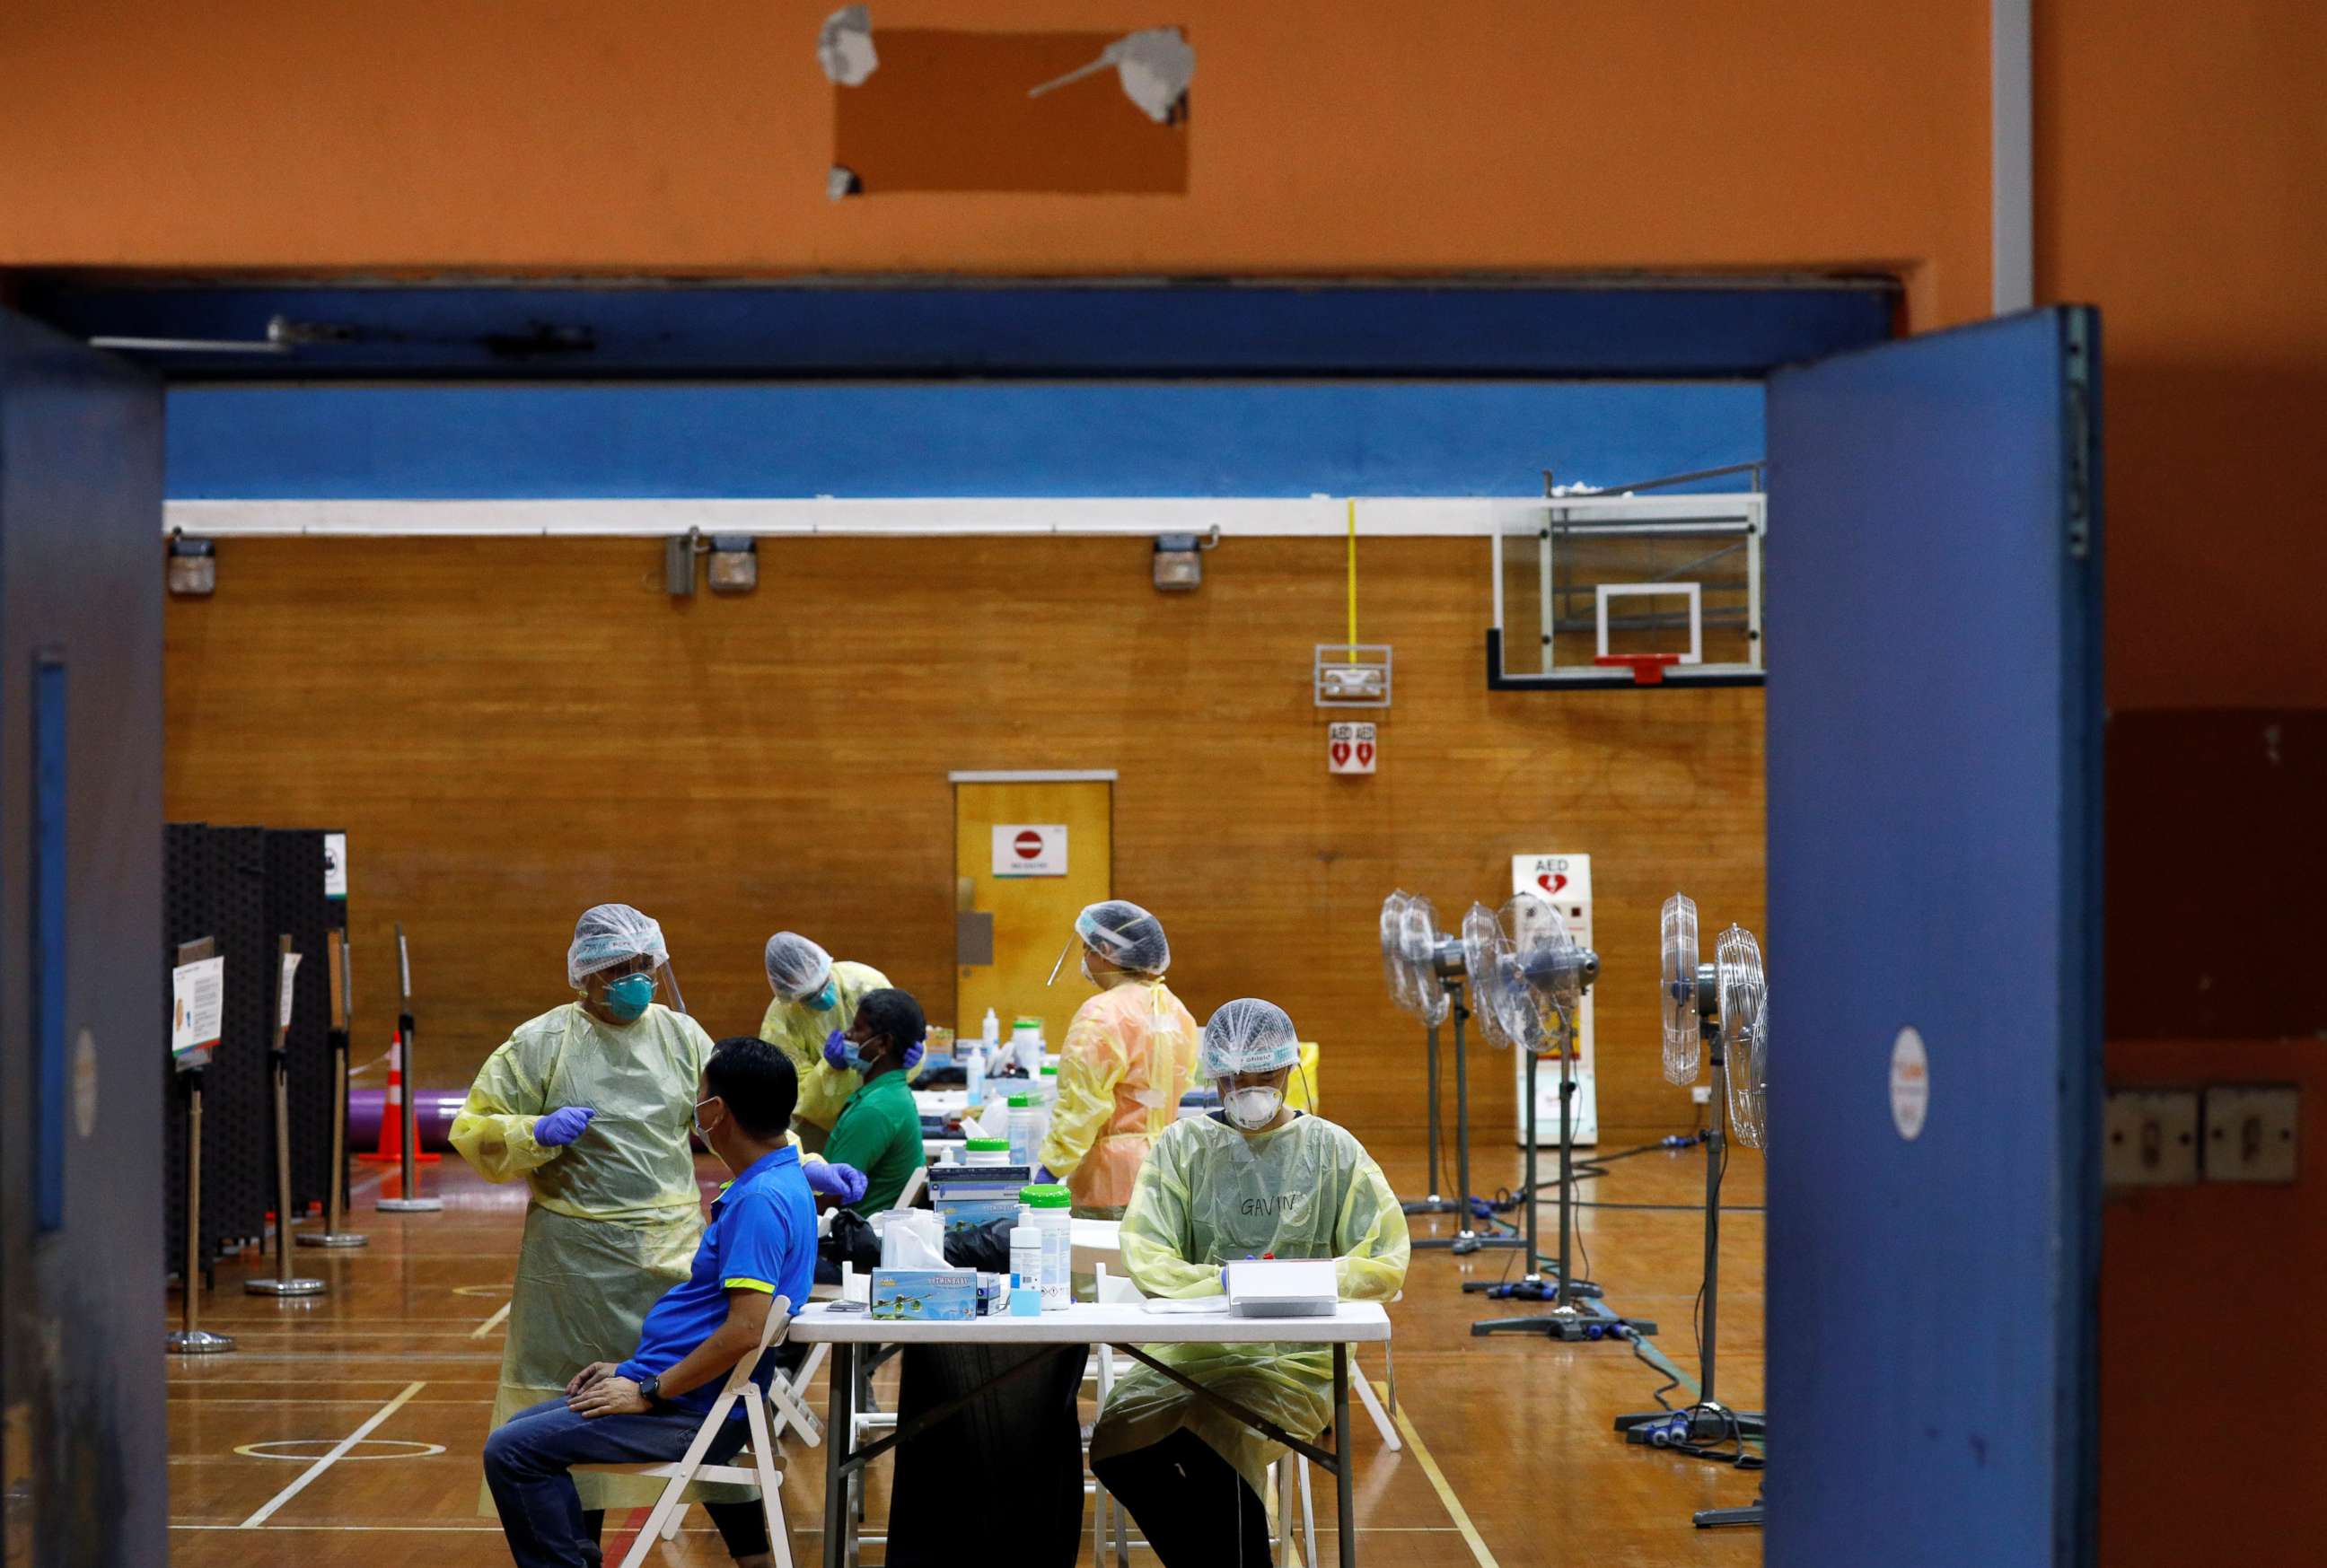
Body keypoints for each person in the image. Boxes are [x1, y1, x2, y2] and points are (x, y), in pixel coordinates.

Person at [452, 905, 863, 1537]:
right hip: (574, 1266)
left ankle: (752, 1547)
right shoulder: (541, 1043)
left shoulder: (680, 1036)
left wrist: (802, 1165)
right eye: (619, 968)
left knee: (701, 1396)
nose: (635, 979)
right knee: (572, 1409)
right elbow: (472, 1127)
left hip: (671, 1252)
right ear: (585, 972)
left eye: (645, 965)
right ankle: (576, 1549)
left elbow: (740, 1118)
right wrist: (531, 1130)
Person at [1090, 999, 1409, 1566]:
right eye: (1234, 1078)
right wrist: (1232, 1283)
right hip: (1188, 1352)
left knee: (1218, 1430)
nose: (1248, 1090)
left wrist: (1295, 1281)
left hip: (1295, 1357)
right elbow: (1147, 1253)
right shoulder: (1182, 1147)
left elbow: (1384, 1257)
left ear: (1288, 1070)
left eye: (1262, 1077)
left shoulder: (1331, 1150)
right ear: (1214, 1076)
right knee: (1116, 1442)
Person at [483, 1037, 816, 1568]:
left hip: (692, 1410)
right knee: (518, 1436)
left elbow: (746, 1329)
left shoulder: (760, 1200)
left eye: (700, 1094)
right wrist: (635, 1368)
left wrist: (649, 1389)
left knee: (513, 1452)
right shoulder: (777, 1179)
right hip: (684, 1395)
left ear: (715, 1112)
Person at [1035, 900, 1200, 1219]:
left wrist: (1053, 1167)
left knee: (1099, 1268)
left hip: (1108, 1184)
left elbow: (1081, 1106)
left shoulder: (1101, 1014)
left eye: (1087, 948)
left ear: (1106, 950)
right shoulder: (1176, 1011)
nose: (1084, 959)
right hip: (1167, 1178)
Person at [758, 931, 919, 1152]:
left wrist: (913, 1055)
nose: (822, 997)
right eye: (808, 996)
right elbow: (796, 1098)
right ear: (790, 995)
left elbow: (902, 1030)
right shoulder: (781, 1020)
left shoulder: (865, 984)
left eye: (824, 985)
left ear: (825, 966)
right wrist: (830, 1070)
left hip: (882, 1110)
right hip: (819, 1133)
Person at [819, 986, 929, 1214]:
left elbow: (828, 1198)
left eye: (858, 1029)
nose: (847, 1035)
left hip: (849, 1240)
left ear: (883, 1044)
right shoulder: (891, 1094)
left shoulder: (875, 1110)